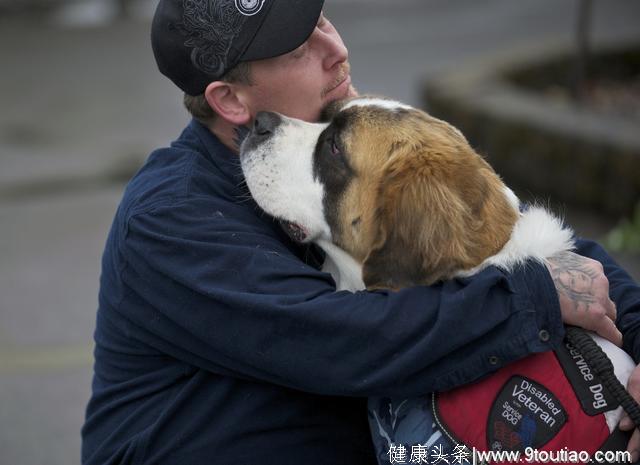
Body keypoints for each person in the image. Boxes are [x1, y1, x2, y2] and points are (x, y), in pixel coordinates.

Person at [81, 1, 640, 464]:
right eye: (300, 48)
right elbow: (344, 341)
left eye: (321, 17)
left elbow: (499, 232)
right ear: (229, 100)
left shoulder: (347, 130)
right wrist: (535, 297)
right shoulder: (169, 219)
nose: (335, 50)